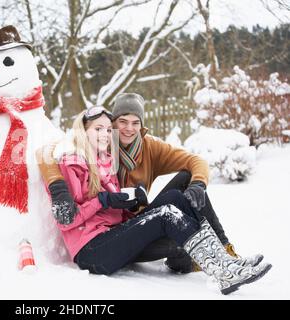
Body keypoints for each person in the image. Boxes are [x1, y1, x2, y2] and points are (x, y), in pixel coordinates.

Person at [48, 106, 271, 295]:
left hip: (112, 237)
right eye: (98, 129)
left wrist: (129, 203)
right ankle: (222, 271)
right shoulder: (72, 163)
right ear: (83, 131)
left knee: (175, 198)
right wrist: (104, 200)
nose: (106, 134)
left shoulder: (106, 160)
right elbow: (66, 220)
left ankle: (225, 260)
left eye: (108, 129)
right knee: (165, 214)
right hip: (91, 251)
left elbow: (113, 213)